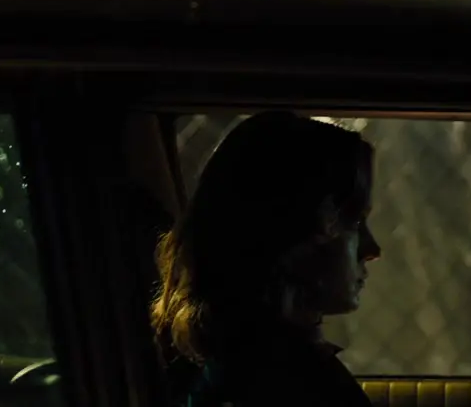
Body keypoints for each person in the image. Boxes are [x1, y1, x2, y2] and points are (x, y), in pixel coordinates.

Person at [151, 112, 381, 407]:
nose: (372, 249)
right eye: (355, 222)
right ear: (293, 233)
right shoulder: (288, 384)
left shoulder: (235, 367)